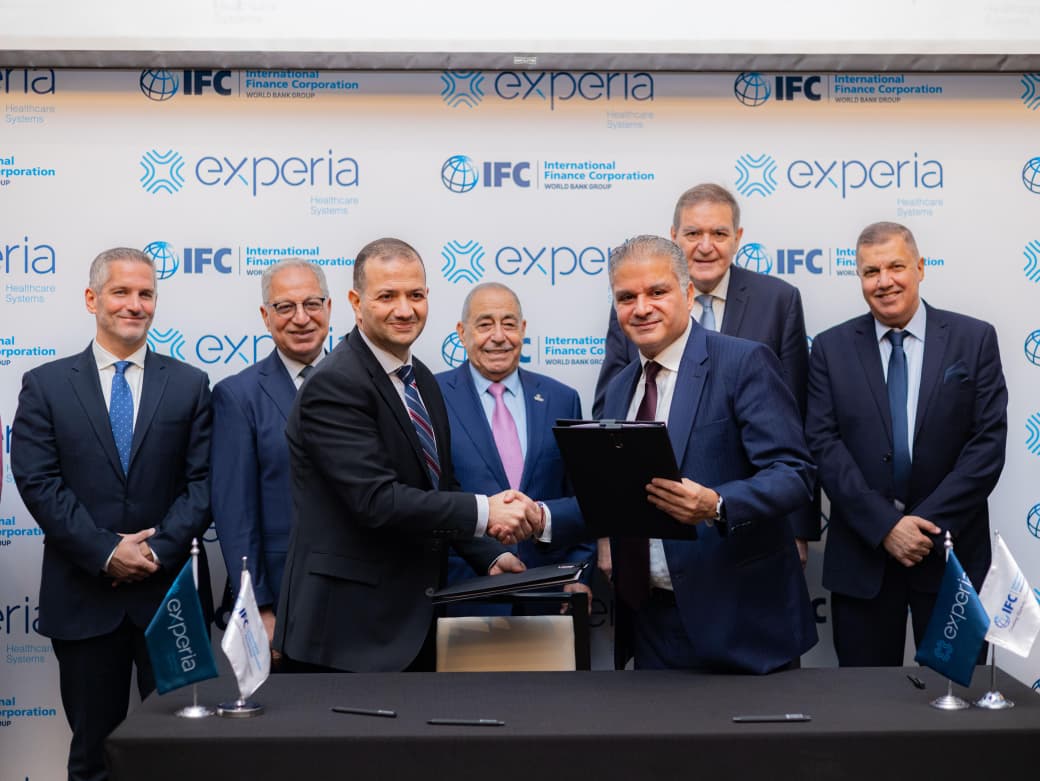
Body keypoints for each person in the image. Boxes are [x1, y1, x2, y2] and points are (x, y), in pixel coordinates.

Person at [274, 238, 542, 673]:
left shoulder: (422, 381)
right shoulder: (334, 384)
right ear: (356, 303)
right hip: (345, 636)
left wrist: (489, 554)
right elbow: (377, 501)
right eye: (387, 296)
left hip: (411, 625)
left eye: (415, 295)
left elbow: (438, 486)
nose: (404, 309)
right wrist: (486, 510)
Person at [11, 247, 212, 781]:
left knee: (182, 756)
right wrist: (106, 551)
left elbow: (203, 483)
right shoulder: (46, 385)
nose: (135, 304)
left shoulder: (190, 383)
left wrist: (154, 551)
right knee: (93, 756)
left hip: (169, 599)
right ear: (92, 298)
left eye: (146, 293)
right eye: (121, 291)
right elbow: (38, 482)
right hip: (84, 599)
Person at [598, 235, 817, 672]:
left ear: (687, 294)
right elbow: (614, 496)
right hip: (651, 623)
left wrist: (717, 504)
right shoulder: (621, 387)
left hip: (741, 624)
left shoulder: (743, 362)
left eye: (657, 292)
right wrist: (540, 518)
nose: (642, 308)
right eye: (626, 298)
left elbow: (793, 473)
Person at [805, 222, 1007, 666]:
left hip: (951, 554)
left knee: (956, 697)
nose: (884, 281)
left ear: (920, 267)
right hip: (863, 558)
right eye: (870, 271)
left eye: (896, 266)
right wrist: (886, 528)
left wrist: (922, 527)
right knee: (865, 701)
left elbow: (987, 446)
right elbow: (823, 445)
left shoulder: (974, 339)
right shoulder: (830, 348)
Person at [593, 183, 817, 572]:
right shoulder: (631, 333)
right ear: (674, 236)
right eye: (694, 233)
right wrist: (599, 532)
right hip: (649, 561)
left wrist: (791, 527)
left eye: (719, 233)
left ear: (738, 237)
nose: (706, 246)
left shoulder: (775, 306)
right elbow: (610, 425)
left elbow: (794, 435)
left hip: (740, 554)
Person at [436, 282, 595, 613]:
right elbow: (428, 497)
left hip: (550, 592)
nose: (498, 336)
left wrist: (580, 572)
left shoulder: (562, 399)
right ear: (462, 333)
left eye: (508, 324)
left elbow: (584, 496)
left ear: (522, 330)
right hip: (464, 594)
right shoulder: (431, 397)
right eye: (484, 324)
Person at [210, 258, 331, 666]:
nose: (301, 318)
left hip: (363, 604)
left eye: (312, 303)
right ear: (266, 316)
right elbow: (235, 515)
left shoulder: (368, 387)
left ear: (330, 308)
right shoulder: (238, 396)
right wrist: (258, 607)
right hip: (283, 603)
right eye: (285, 307)